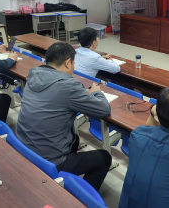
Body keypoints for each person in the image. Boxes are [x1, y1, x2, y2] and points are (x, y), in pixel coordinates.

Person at [16, 42, 112, 191]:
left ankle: (65, 180)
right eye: (73, 64)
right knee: (104, 158)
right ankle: (80, 198)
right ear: (68, 63)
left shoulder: (33, 75)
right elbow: (104, 109)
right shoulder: (68, 85)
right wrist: (96, 92)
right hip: (49, 159)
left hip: (24, 148)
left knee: (74, 139)